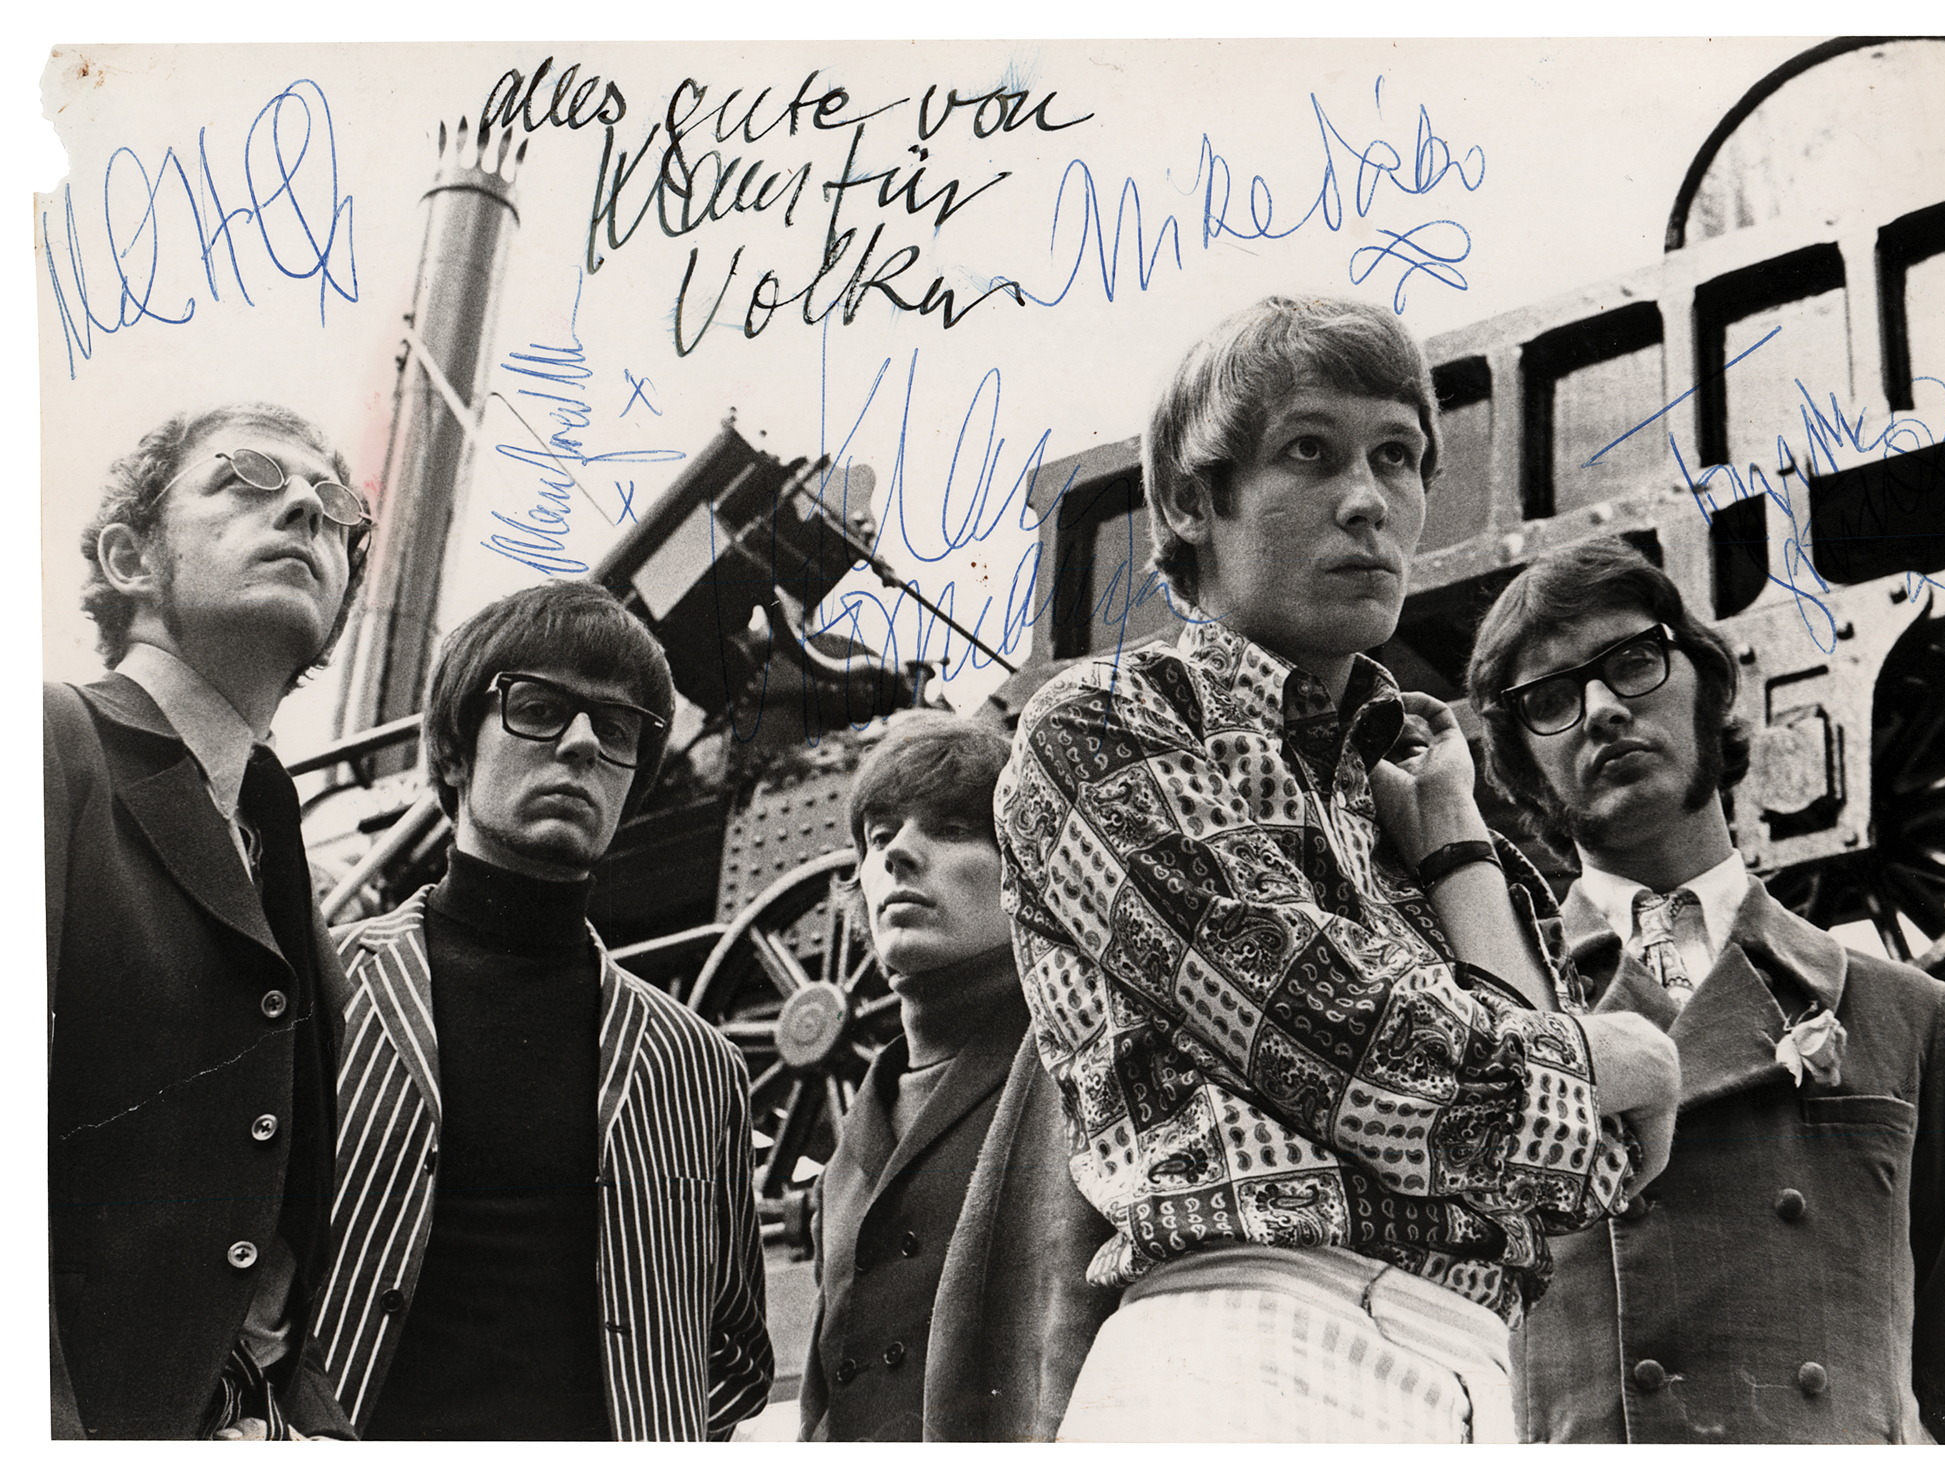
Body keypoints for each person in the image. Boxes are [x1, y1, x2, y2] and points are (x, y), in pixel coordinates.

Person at [994, 295, 1682, 1443]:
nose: (1367, 500)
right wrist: (1616, 1055)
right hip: (1244, 1342)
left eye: (1396, 457)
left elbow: (1585, 1175)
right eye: (1309, 451)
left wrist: (1455, 843)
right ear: (1191, 502)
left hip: (1472, 1382)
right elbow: (1338, 1037)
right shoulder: (1106, 724)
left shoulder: (1419, 800)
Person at [1465, 537, 1945, 1444]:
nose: (1603, 709)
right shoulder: (1485, 1015)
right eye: (1551, 699)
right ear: (1522, 764)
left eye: (1632, 661)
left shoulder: (1913, 1018)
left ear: (1710, 687)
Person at [311, 582, 772, 1440]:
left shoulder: (700, 1066)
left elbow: (734, 1352)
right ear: (454, 752)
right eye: (539, 708)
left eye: (619, 728)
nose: (584, 742)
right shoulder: (320, 992)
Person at [47, 404, 372, 1438]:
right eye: (249, 477)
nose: (308, 509)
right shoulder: (47, 743)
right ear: (129, 557)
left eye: (337, 507)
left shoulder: (274, 835)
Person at [799, 711, 1120, 1441]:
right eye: (878, 836)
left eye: (949, 829)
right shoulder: (846, 1153)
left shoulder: (1085, 1067)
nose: (897, 854)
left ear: (1029, 864)